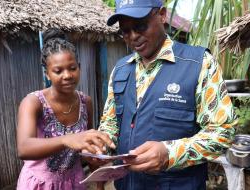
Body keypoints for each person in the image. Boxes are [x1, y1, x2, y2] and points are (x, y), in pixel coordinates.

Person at [99, 0, 237, 189]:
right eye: (125, 31)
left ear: (162, 15)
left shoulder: (199, 64)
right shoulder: (120, 69)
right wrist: (101, 144)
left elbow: (223, 131)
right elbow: (111, 123)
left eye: (140, 26)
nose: (133, 37)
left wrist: (170, 153)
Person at [16, 28, 115, 190]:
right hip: (40, 184)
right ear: (47, 73)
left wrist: (99, 179)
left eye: (72, 68)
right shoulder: (33, 102)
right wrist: (66, 139)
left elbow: (87, 148)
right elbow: (24, 148)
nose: (67, 75)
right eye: (58, 71)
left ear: (79, 67)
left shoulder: (85, 102)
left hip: (74, 182)